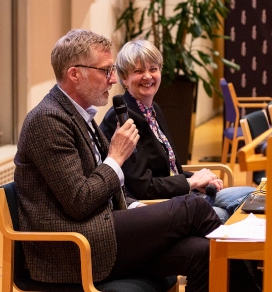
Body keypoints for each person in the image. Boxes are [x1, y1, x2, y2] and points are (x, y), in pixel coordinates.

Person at [13, 29, 226, 291]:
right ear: (74, 74)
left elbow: (114, 189)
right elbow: (79, 202)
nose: (113, 79)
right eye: (105, 71)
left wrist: (139, 209)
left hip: (104, 229)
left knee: (203, 252)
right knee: (193, 208)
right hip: (75, 247)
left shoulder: (80, 115)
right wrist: (115, 157)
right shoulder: (48, 120)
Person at [100, 39, 256, 223]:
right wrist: (192, 182)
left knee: (253, 195)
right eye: (138, 71)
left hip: (181, 196)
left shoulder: (153, 109)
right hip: (156, 207)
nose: (148, 76)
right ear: (124, 78)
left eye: (153, 69)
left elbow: (169, 172)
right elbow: (144, 187)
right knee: (227, 215)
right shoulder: (122, 120)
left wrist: (201, 181)